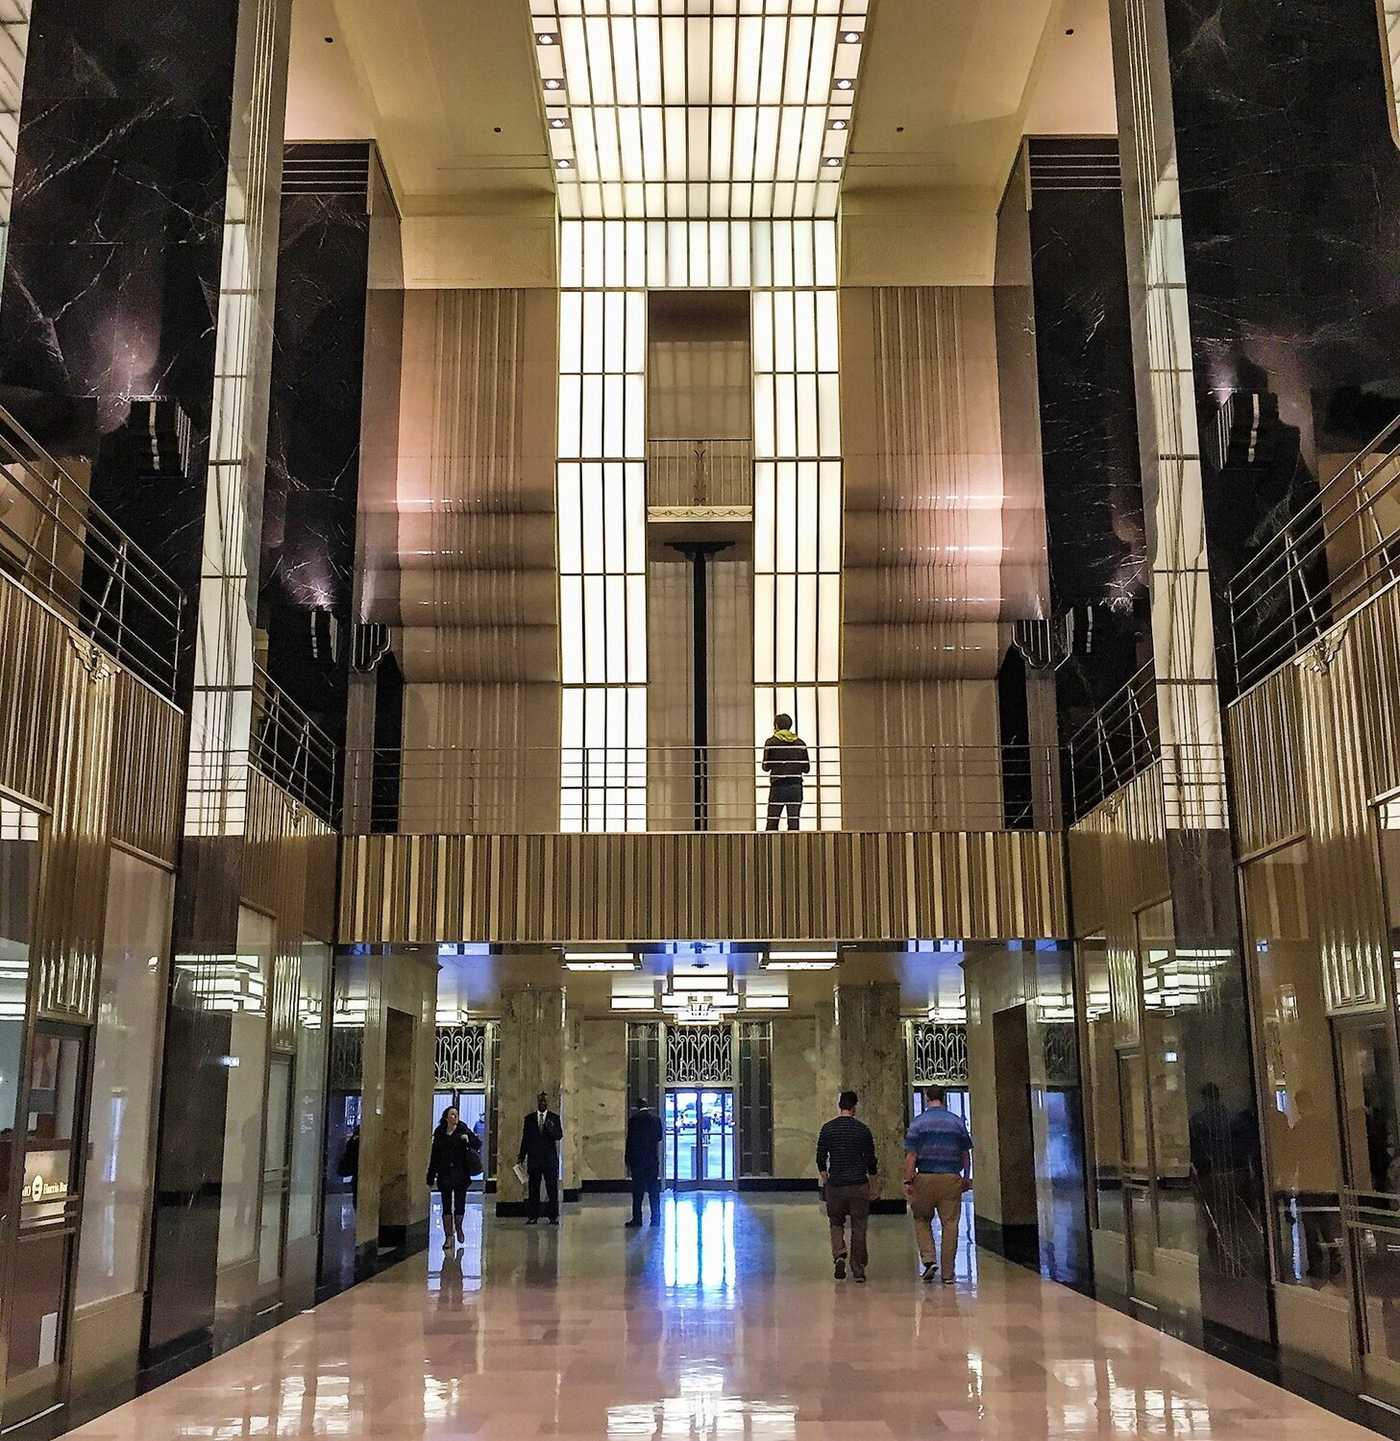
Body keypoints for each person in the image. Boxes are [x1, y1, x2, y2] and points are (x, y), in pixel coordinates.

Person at [903, 1085, 972, 1284]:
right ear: (943, 1098)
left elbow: (911, 1156)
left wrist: (908, 1180)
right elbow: (965, 1154)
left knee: (921, 1218)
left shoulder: (918, 1123)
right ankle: (949, 1274)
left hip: (924, 1178)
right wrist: (966, 1178)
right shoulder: (956, 1122)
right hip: (951, 1178)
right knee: (950, 1224)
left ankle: (929, 1259)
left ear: (926, 1097)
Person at [816, 1089, 879, 1282]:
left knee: (836, 1222)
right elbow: (870, 1160)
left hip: (836, 1184)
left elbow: (820, 1157)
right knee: (859, 1226)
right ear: (854, 1107)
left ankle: (839, 1256)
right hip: (858, 1185)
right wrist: (874, 1182)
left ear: (840, 1106)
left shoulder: (828, 1128)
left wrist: (826, 1179)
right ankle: (858, 1269)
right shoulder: (862, 1130)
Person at [426, 1105, 482, 1248]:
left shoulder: (463, 1129)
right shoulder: (439, 1132)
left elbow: (477, 1143)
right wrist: (431, 1175)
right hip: (445, 1172)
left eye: (456, 1114)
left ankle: (459, 1227)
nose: (455, 1116)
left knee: (459, 1203)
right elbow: (435, 1155)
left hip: (461, 1172)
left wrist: (468, 1138)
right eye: (452, 1114)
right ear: (446, 1117)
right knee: (446, 1204)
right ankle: (448, 1236)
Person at [518, 1090, 564, 1224]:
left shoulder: (553, 1118)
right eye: (540, 1102)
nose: (542, 1104)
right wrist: (521, 1155)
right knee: (533, 1189)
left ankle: (553, 1216)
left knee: (552, 1189)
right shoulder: (529, 1119)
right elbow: (525, 1139)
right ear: (538, 1103)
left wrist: (551, 1128)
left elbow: (559, 1136)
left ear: (547, 1104)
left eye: (544, 1102)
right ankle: (533, 1216)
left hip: (549, 1160)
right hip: (534, 1159)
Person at [762, 712, 810, 831]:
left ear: (777, 726)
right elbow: (806, 768)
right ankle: (794, 848)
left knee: (772, 822)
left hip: (778, 786)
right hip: (795, 786)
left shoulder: (771, 742)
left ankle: (770, 848)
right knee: (793, 823)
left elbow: (765, 767)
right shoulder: (800, 743)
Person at [624, 1097, 664, 1227]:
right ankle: (656, 1218)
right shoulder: (656, 1119)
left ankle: (637, 1219)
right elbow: (659, 1137)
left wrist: (628, 1159)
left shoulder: (633, 1120)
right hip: (652, 1160)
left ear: (637, 1106)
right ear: (647, 1106)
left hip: (638, 1160)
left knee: (638, 1191)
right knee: (653, 1190)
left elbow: (630, 1141)